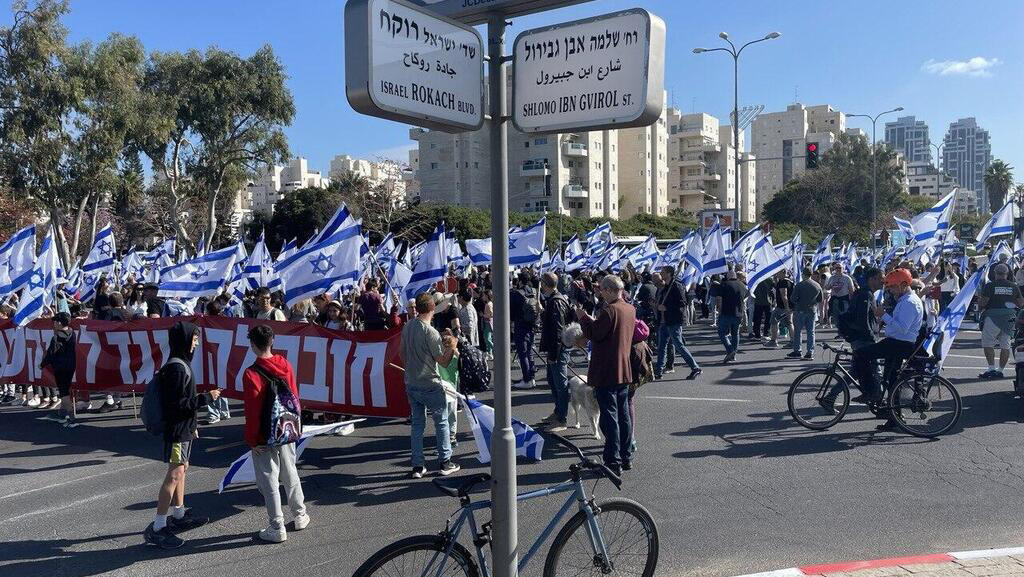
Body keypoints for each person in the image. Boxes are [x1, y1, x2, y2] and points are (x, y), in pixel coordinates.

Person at [144, 321, 220, 549]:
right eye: (194, 340)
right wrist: (208, 398)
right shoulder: (177, 368)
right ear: (185, 341)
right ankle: (158, 526)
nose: (196, 344)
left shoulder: (180, 364)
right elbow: (177, 405)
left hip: (184, 428)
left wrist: (192, 424)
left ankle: (178, 514)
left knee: (182, 469)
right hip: (177, 431)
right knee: (174, 474)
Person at [242, 324, 309, 543]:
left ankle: (276, 525)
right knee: (290, 471)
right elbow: (294, 396)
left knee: (269, 479)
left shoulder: (251, 373)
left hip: (264, 434)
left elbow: (252, 411)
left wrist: (252, 439)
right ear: (272, 341)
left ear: (252, 345)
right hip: (286, 426)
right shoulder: (286, 365)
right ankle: (300, 514)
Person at [575, 275, 635, 475]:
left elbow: (596, 334)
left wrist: (583, 317)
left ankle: (613, 461)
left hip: (607, 370)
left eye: (601, 289)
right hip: (623, 369)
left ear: (609, 290)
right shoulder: (629, 308)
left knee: (610, 418)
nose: (599, 293)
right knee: (623, 415)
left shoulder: (610, 310)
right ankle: (626, 457)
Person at [400, 293, 460, 479]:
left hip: (411, 382)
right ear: (433, 308)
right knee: (441, 421)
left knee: (417, 425)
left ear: (417, 308)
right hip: (429, 383)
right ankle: (445, 461)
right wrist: (452, 346)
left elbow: (402, 356)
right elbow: (442, 362)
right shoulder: (430, 332)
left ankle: (418, 466)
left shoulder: (407, 326)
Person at [856, 269, 925, 430]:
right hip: (896, 341)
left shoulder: (910, 302)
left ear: (903, 284)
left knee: (861, 354)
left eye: (893, 287)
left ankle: (870, 391)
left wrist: (883, 315)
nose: (891, 291)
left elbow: (903, 329)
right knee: (892, 381)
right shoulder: (903, 299)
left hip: (900, 344)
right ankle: (895, 418)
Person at [838, 267, 883, 404]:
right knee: (875, 369)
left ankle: (830, 396)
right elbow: (862, 319)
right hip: (863, 338)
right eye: (880, 278)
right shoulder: (866, 294)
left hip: (859, 337)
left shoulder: (865, 293)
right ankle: (878, 399)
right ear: (872, 279)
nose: (883, 281)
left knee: (856, 370)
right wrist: (871, 336)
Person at [654, 266, 701, 380]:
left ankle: (695, 367)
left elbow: (682, 303)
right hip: (663, 321)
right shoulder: (665, 287)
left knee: (679, 345)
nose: (661, 274)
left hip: (673, 321)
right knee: (661, 347)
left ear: (669, 273)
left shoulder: (676, 286)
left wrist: (666, 307)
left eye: (663, 272)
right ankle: (658, 371)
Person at [538, 272, 572, 431]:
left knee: (560, 384)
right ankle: (558, 412)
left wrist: (554, 354)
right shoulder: (555, 299)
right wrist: (544, 312)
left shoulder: (556, 301)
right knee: (552, 381)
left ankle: (562, 418)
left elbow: (558, 330)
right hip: (556, 348)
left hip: (558, 350)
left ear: (545, 284)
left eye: (542, 283)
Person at [977, 263, 1024, 379]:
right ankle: (1000, 370)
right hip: (1009, 317)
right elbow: (1021, 303)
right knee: (1005, 344)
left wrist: (979, 300)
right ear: (1007, 274)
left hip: (992, 316)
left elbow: (983, 303)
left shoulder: (990, 286)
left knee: (988, 343)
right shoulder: (1013, 286)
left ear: (995, 273)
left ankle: (991, 368)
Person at [39, 312, 78, 427]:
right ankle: (62, 414)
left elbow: (51, 353)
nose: (54, 323)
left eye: (55, 321)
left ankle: (71, 418)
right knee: (65, 391)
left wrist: (42, 364)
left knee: (64, 394)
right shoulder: (72, 333)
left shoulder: (56, 337)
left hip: (61, 368)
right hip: (71, 366)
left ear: (60, 323)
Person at [788, 268, 823, 360]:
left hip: (800, 310)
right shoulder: (817, 285)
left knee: (798, 332)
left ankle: (797, 351)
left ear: (803, 274)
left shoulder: (799, 285)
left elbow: (793, 298)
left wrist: (799, 301)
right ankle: (810, 352)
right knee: (811, 332)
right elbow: (820, 299)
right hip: (812, 310)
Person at [510, 275, 538, 389]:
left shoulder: (517, 294)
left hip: (520, 324)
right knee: (529, 351)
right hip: (532, 324)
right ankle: (531, 377)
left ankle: (527, 379)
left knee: (523, 353)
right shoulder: (534, 291)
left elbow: (511, 312)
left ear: (520, 282)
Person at [716, 269, 748, 363]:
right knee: (735, 334)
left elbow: (719, 299)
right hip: (738, 313)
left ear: (728, 276)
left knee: (722, 332)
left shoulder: (723, 284)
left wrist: (719, 310)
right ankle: (733, 355)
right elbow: (747, 296)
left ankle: (730, 350)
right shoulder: (742, 285)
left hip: (726, 312)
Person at [767, 270, 793, 348]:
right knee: (775, 321)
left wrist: (787, 308)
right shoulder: (788, 281)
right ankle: (774, 340)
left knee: (788, 323)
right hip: (784, 307)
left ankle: (793, 341)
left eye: (777, 272)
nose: (776, 273)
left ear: (782, 272)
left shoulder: (783, 282)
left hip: (783, 307)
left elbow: (784, 296)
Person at [750, 270, 776, 341]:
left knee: (757, 319)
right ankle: (765, 334)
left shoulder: (756, 278)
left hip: (758, 301)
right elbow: (775, 287)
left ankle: (757, 334)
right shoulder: (769, 279)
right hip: (768, 302)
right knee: (768, 319)